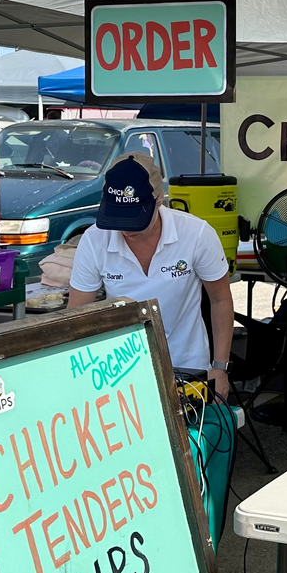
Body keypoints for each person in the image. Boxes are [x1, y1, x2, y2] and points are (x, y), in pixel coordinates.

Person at [68, 152, 234, 400]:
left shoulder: (196, 233)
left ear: (159, 199)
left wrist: (220, 367)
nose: (126, 229)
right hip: (120, 371)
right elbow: (76, 317)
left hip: (187, 367)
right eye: (117, 217)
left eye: (135, 218)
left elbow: (221, 300)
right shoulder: (94, 240)